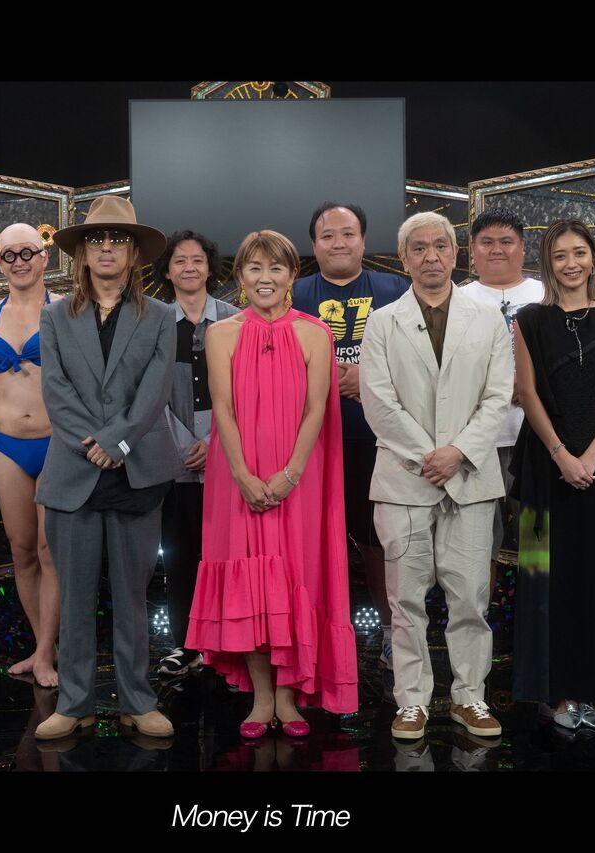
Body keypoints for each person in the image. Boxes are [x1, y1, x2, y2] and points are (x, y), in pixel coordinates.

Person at [187, 229, 358, 738]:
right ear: (241, 276)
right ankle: (261, 699)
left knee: (294, 577)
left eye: (276, 268)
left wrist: (290, 474)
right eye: (255, 268)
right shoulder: (221, 334)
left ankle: (289, 698)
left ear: (292, 276)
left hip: (298, 479)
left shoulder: (314, 333)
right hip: (236, 477)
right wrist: (242, 474)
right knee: (252, 583)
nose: (266, 278)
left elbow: (317, 411)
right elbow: (222, 409)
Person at [360, 211, 512, 741]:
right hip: (405, 479)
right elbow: (378, 402)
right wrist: (432, 455)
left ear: (455, 254)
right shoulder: (382, 322)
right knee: (405, 601)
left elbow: (498, 396)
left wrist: (458, 453)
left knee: (470, 598)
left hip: (471, 478)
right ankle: (412, 701)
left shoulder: (487, 319)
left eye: (440, 246)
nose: (431, 256)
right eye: (419, 248)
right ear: (404, 259)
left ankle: (470, 696)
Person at [32, 197, 180, 741]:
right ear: (82, 253)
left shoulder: (160, 316)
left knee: (133, 599)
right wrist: (94, 443)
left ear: (135, 253)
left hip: (136, 470)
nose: (107, 249)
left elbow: (155, 391)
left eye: (118, 240)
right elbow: (56, 391)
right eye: (97, 240)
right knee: (74, 598)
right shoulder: (54, 316)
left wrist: (117, 441)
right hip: (74, 472)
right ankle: (74, 703)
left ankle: (137, 700)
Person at [509, 219, 595, 731]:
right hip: (547, 465)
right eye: (560, 255)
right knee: (550, 582)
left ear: (593, 258)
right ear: (548, 263)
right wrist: (563, 455)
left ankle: (592, 690)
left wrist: (593, 456)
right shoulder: (530, 320)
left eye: (579, 253)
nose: (570, 263)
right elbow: (526, 393)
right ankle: (553, 695)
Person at [291, 203, 409, 669]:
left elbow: (420, 356)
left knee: (379, 541)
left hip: (377, 441)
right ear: (313, 244)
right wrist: (321, 377)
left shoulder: (395, 289)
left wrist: (369, 376)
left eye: (348, 233)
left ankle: (391, 632)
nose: (338, 243)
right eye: (327, 236)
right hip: (308, 443)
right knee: (310, 542)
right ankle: (310, 636)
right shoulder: (293, 291)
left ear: (363, 239)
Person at [0, 223, 60, 687]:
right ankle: (42, 645)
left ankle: (44, 655)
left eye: (28, 252)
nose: (19, 261)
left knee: (50, 551)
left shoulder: (65, 310)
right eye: (9, 255)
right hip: (6, 444)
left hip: (55, 442)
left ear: (45, 257)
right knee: (22, 550)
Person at [151, 231, 240, 678]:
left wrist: (216, 442)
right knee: (180, 554)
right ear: (167, 271)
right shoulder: (153, 322)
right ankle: (186, 645)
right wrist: (188, 444)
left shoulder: (235, 320)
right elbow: (150, 396)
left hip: (230, 456)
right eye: (180, 261)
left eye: (198, 260)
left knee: (227, 555)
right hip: (174, 457)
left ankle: (229, 645)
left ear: (210, 268)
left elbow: (245, 390)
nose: (189, 267)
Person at [459, 208, 544, 562]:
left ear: (522, 247)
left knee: (539, 545)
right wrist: (496, 388)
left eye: (506, 241)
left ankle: (538, 602)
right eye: (487, 242)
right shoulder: (456, 299)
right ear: (472, 250)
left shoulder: (547, 293)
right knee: (477, 551)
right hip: (476, 443)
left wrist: (529, 384)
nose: (497, 250)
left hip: (537, 438)